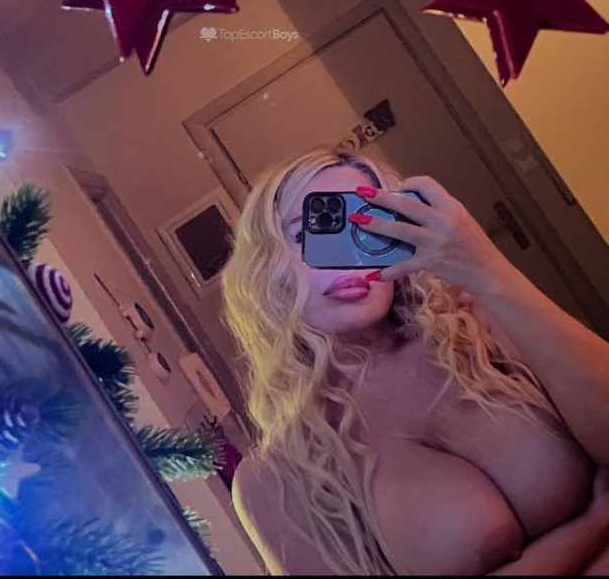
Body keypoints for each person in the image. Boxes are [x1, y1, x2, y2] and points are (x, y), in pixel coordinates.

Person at [222, 148, 609, 576]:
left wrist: (489, 272)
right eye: (314, 230)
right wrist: (591, 526)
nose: (346, 256)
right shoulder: (275, 479)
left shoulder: (484, 326)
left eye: (368, 226)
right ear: (265, 266)